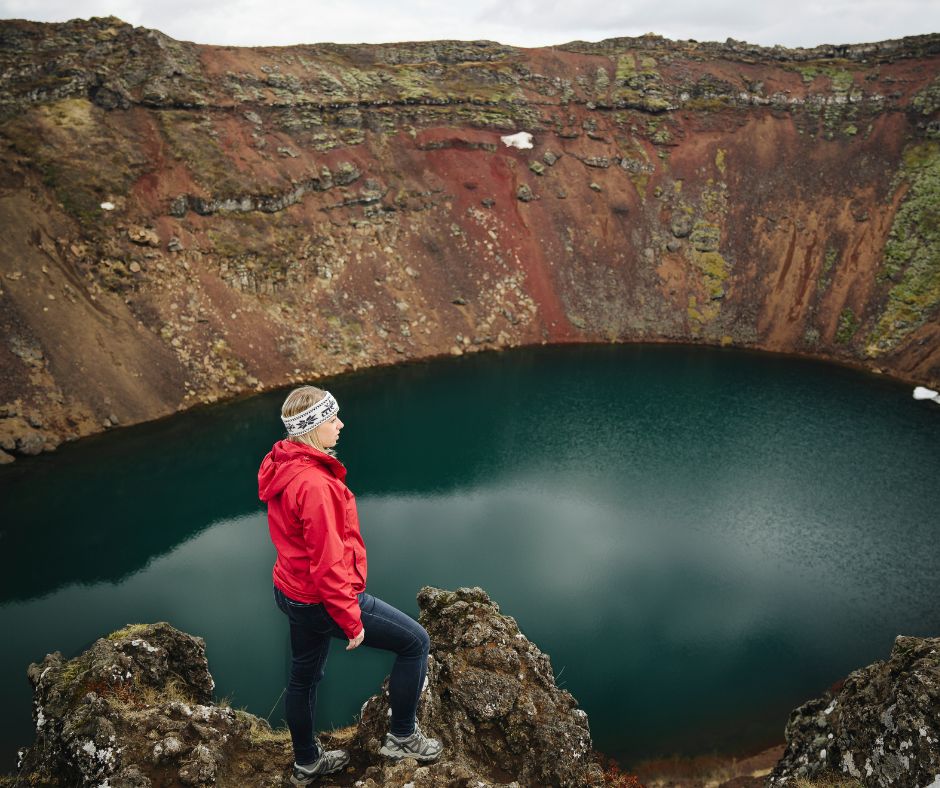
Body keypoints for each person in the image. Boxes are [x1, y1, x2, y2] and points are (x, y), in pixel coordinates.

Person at [258, 385, 443, 786]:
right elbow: (327, 562)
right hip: (323, 597)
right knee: (415, 643)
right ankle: (403, 736)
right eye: (331, 419)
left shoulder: (283, 462)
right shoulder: (315, 485)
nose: (340, 424)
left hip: (292, 591)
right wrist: (350, 618)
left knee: (302, 677)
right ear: (311, 429)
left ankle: (307, 763)